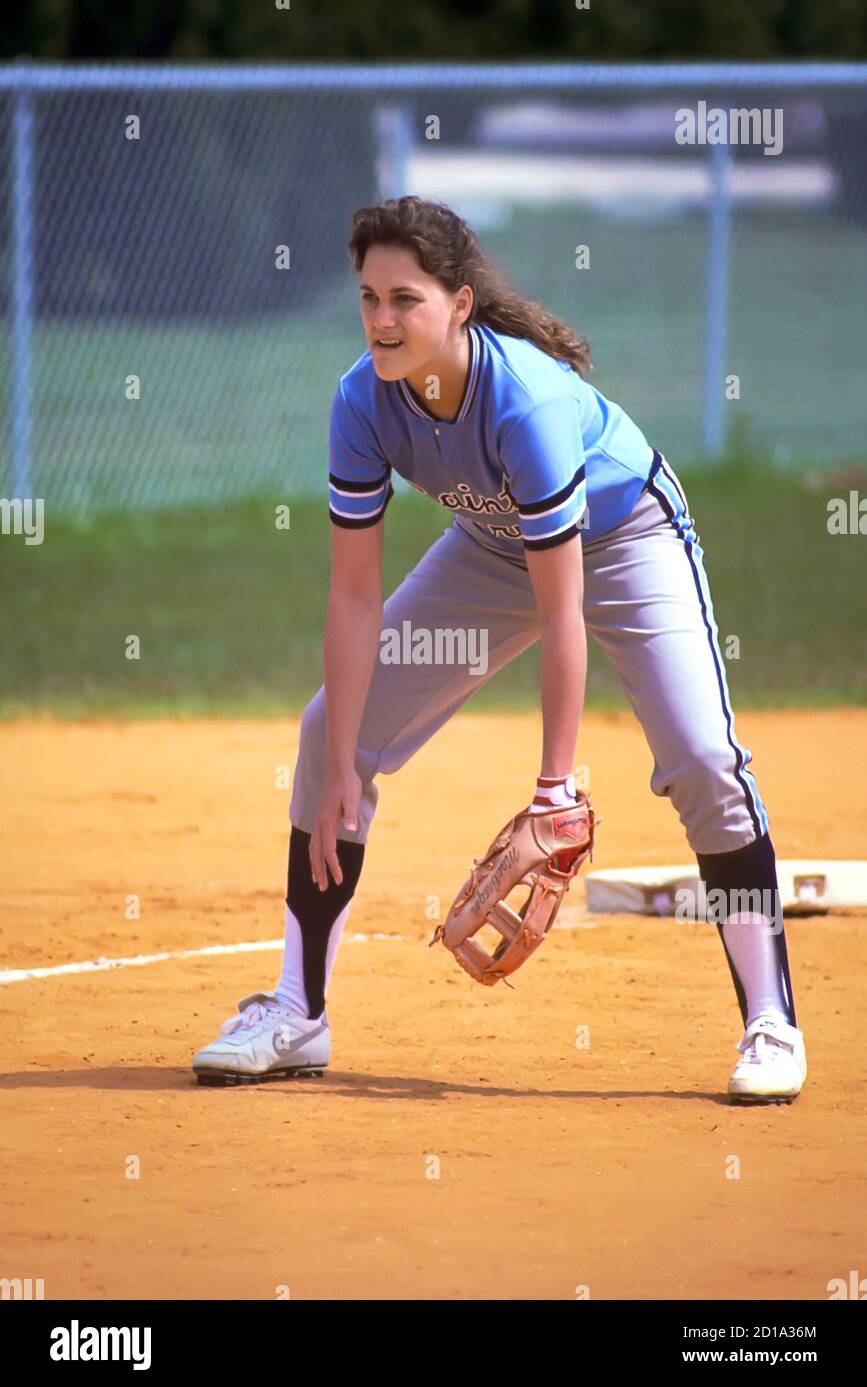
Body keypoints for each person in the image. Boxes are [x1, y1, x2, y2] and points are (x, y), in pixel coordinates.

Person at [192, 195, 806, 1103]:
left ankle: (770, 1021)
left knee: (704, 760)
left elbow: (564, 614)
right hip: (490, 549)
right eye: (368, 298)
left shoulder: (526, 402)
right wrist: (337, 765)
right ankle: (296, 1011)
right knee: (329, 732)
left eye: (406, 299)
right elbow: (355, 592)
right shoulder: (361, 401)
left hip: (624, 536)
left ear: (459, 305)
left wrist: (556, 789)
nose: (383, 320)